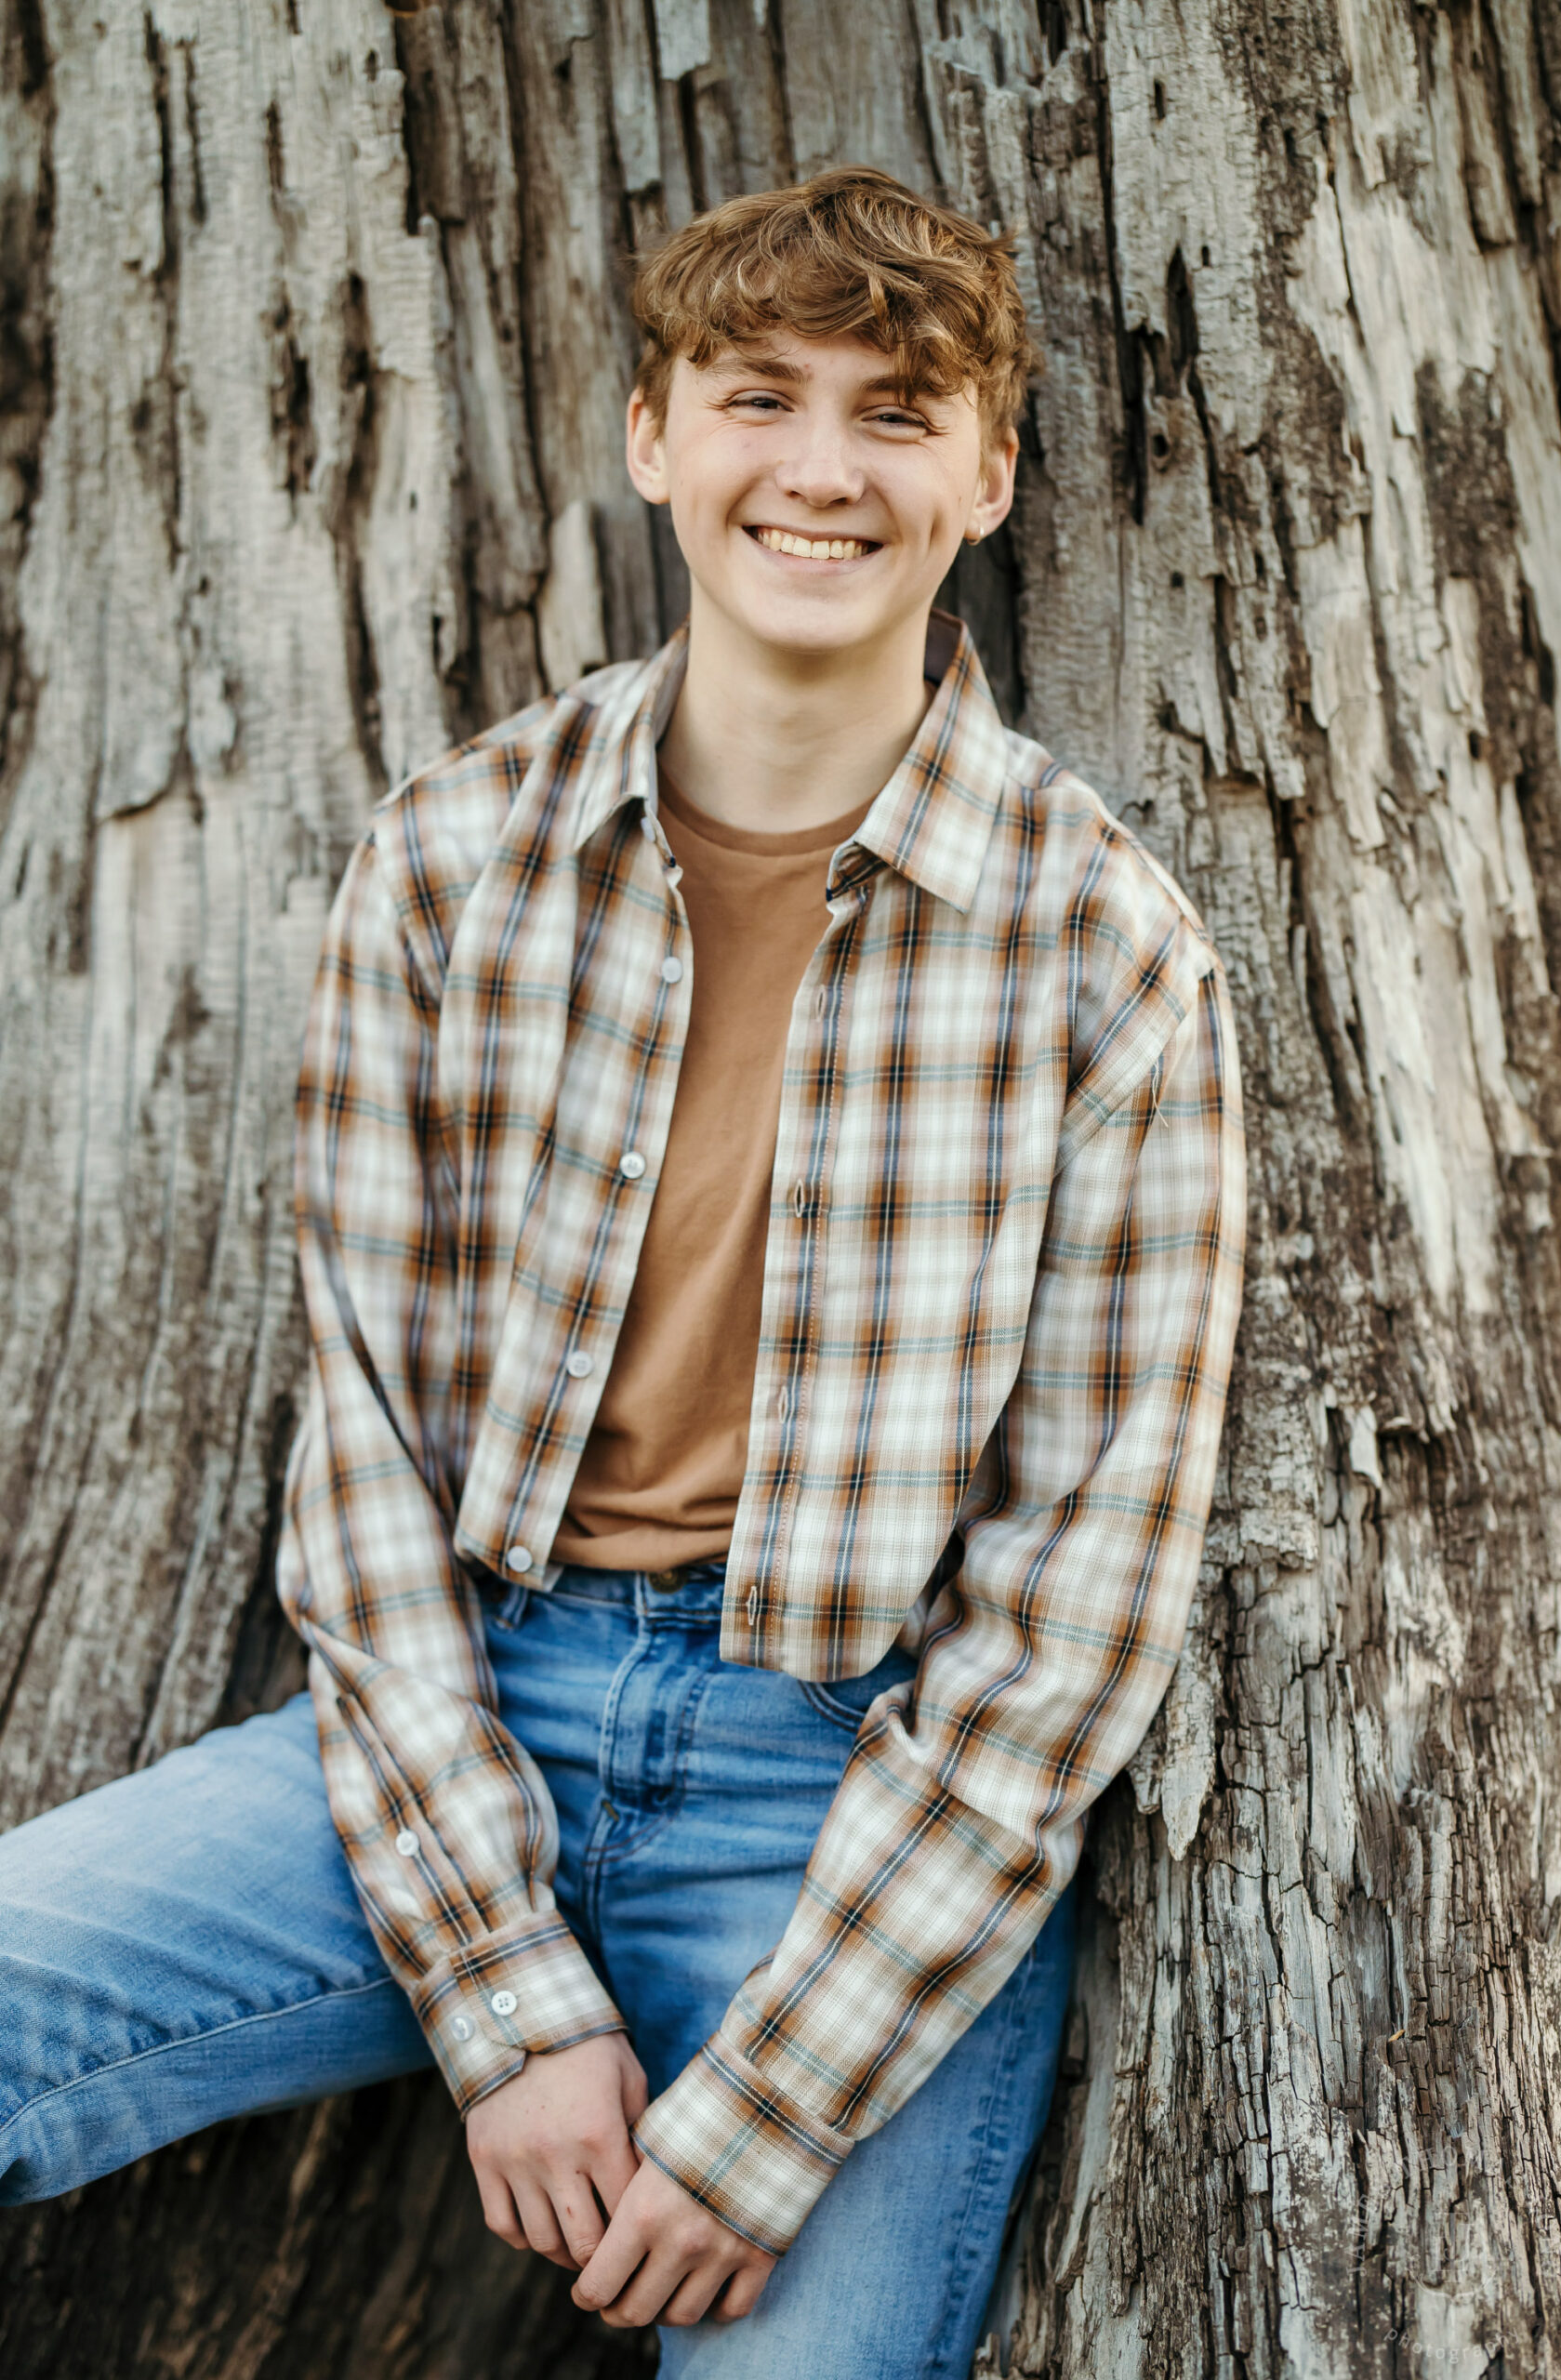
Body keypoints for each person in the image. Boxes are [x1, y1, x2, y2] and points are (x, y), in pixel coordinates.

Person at [0, 168, 1245, 2376]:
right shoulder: (458, 855)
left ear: (985, 470)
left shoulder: (1100, 942)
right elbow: (362, 1458)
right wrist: (498, 1988)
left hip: (851, 1809)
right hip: (457, 1711)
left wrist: (766, 2116)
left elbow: (1076, 1607)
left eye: (897, 407)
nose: (821, 466)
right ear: (659, 435)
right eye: (758, 394)